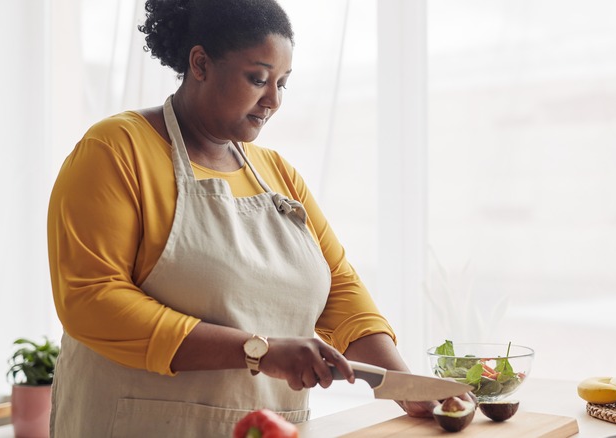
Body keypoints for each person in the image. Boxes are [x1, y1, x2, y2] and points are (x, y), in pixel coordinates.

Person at [47, 0, 443, 436]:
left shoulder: (277, 173)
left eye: (282, 83)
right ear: (200, 63)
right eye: (258, 79)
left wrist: (405, 384)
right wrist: (259, 350)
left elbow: (339, 289)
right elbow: (91, 300)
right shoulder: (116, 150)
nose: (273, 100)